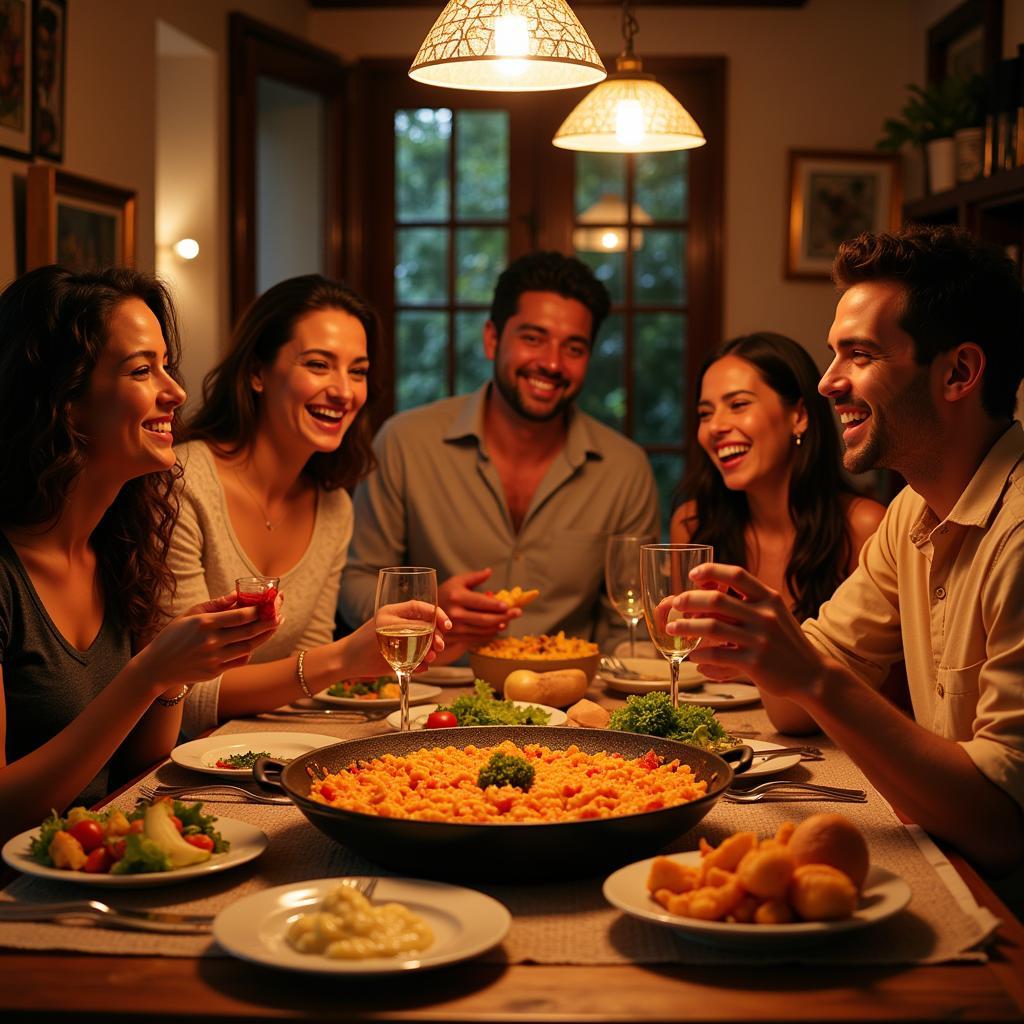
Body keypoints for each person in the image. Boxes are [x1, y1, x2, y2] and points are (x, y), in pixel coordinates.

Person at [667, 225, 1024, 878]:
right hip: (943, 855)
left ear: (959, 373)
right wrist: (773, 651)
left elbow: (1005, 827)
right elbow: (792, 710)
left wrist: (804, 669)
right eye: (834, 355)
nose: (829, 383)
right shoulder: (911, 516)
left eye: (859, 355)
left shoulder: (1017, 534)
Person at [0, 266, 280, 839]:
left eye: (166, 367)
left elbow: (139, 768)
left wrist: (176, 675)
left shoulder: (120, 548)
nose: (175, 392)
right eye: (140, 370)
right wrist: (146, 673)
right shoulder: (6, 574)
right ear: (65, 402)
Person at [337, 251, 660, 658]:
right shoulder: (404, 441)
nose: (551, 363)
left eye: (574, 348)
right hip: (432, 696)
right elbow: (357, 583)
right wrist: (424, 615)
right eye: (533, 338)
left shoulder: (624, 469)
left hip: (568, 702)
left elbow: (628, 628)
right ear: (492, 339)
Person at [170, 275, 449, 734]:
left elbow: (307, 670)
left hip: (265, 751)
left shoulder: (334, 507)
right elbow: (181, 692)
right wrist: (342, 658)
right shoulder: (182, 484)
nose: (344, 390)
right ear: (257, 372)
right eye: (319, 364)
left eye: (357, 371)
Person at [671, 332, 884, 623]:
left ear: (799, 416)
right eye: (705, 413)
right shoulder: (693, 525)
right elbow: (682, 658)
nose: (715, 426)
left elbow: (894, 669)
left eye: (738, 405)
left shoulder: (863, 528)